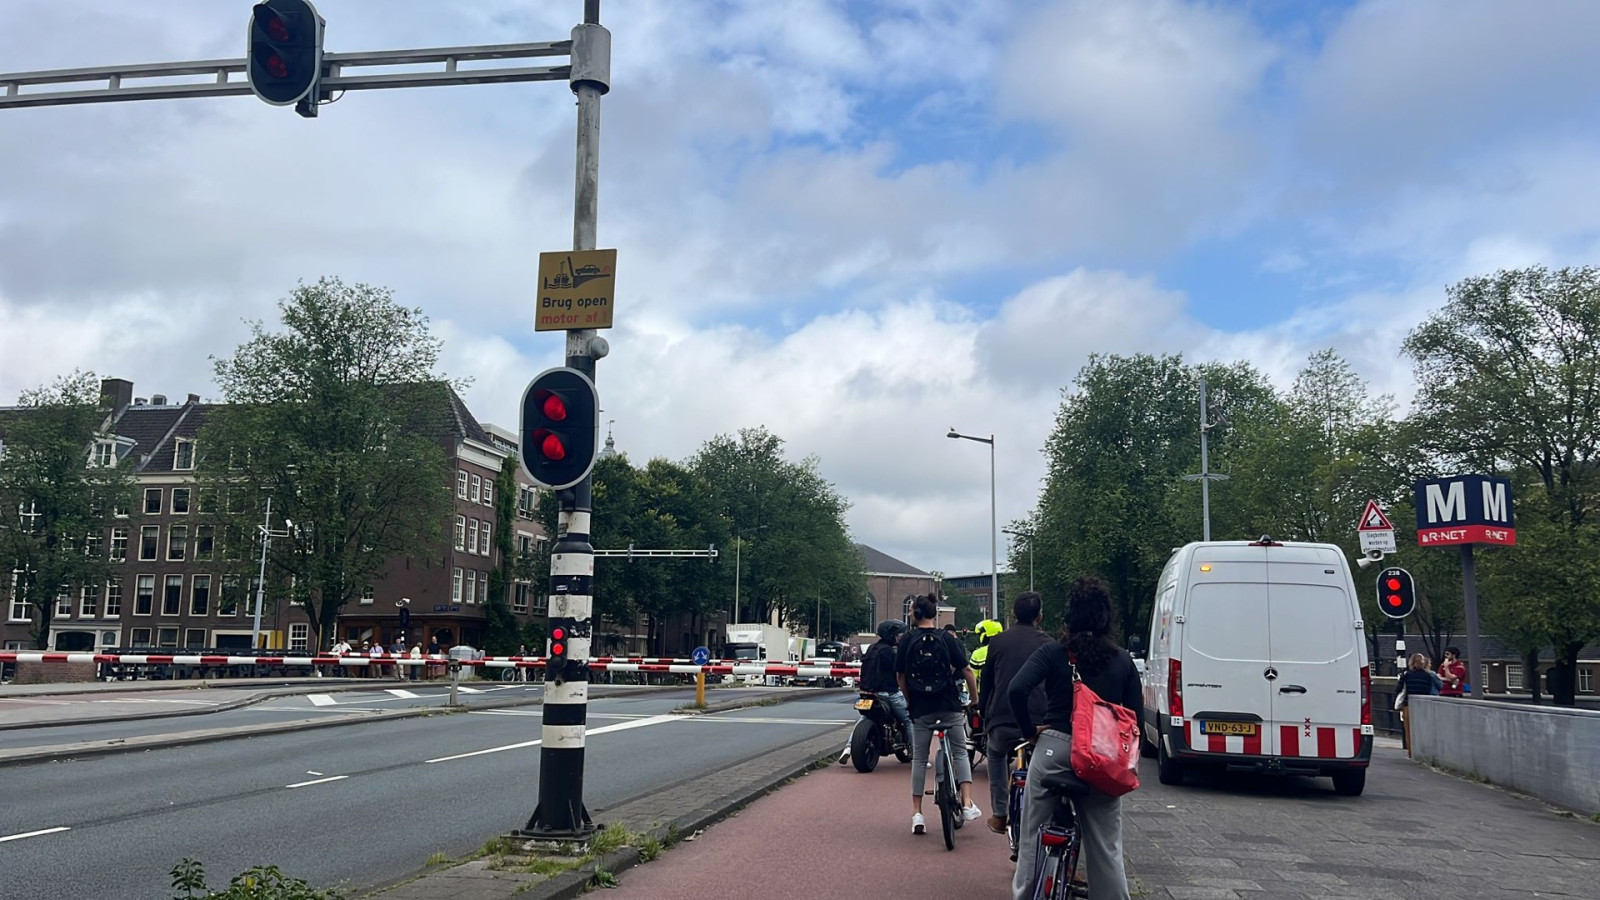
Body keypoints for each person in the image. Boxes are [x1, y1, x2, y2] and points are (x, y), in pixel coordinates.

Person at [1008, 577, 1141, 900]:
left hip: (1054, 749)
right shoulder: (1122, 660)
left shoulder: (1053, 653)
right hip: (1101, 758)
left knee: (1030, 838)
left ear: (1069, 616)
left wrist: (1031, 733)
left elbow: (1017, 690)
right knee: (1106, 847)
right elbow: (1134, 716)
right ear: (1106, 617)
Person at [898, 594, 982, 835]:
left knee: (919, 759)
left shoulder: (907, 639)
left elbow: (900, 676)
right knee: (959, 752)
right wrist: (974, 700)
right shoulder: (947, 638)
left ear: (916, 614)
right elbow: (966, 670)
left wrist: (909, 700)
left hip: (921, 708)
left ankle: (917, 814)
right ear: (934, 614)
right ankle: (966, 804)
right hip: (948, 705)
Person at [978, 592, 1051, 835]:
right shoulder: (1048, 643)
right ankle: (1044, 815)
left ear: (1013, 614)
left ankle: (999, 814)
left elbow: (987, 682)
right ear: (1039, 617)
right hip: (1038, 722)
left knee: (996, 755)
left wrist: (983, 712)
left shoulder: (997, 642)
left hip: (1002, 719)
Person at [1396, 652, 1443, 755]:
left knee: (1409, 730)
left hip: (1409, 704)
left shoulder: (1407, 675)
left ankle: (1411, 751)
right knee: (1422, 729)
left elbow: (1399, 689)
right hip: (1423, 705)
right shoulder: (1428, 675)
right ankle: (1423, 751)